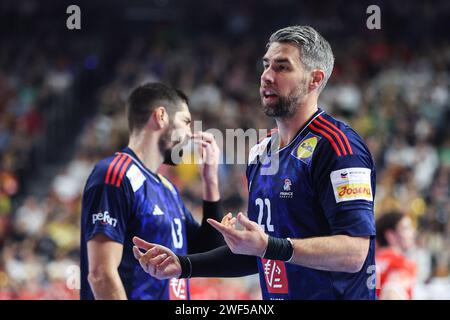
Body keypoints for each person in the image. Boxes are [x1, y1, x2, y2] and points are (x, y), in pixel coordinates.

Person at [133, 25, 377, 300]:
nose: (267, 76)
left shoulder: (338, 146)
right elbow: (260, 254)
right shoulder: (261, 152)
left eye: (282, 67)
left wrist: (270, 247)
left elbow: (355, 253)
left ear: (314, 79)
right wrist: (184, 265)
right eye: (266, 65)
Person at [80, 82, 224, 300]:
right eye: (185, 122)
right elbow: (101, 274)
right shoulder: (114, 175)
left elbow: (209, 250)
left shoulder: (168, 189)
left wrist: (210, 181)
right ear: (161, 116)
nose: (189, 134)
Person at [375, 212, 417, 300]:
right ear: (390, 235)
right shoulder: (400, 263)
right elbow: (391, 294)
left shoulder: (371, 260)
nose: (413, 232)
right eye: (406, 228)